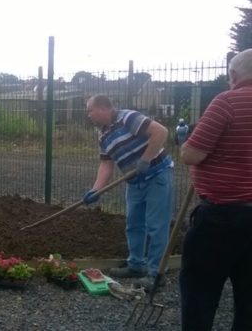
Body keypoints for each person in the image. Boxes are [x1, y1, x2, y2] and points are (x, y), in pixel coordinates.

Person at [179, 49, 252, 331]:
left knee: (200, 294)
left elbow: (191, 155)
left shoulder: (227, 102)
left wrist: (186, 142)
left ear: (233, 75)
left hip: (222, 219)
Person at [83, 95, 173, 290]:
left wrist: (146, 159)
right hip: (134, 182)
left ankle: (156, 274)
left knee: (156, 226)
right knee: (134, 224)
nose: (88, 115)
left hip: (157, 174)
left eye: (90, 110)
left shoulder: (128, 118)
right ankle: (136, 265)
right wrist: (95, 190)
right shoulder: (103, 135)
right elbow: (106, 165)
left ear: (103, 108)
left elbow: (160, 132)